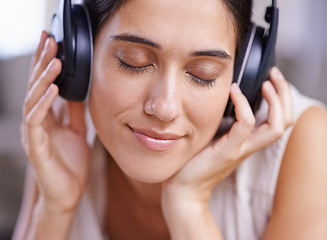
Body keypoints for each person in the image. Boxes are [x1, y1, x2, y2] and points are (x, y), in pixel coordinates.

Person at [13, 0, 327, 239]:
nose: (164, 107)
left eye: (201, 75)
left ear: (245, 75)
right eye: (134, 63)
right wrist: (55, 208)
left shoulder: (304, 146)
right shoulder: (65, 125)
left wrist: (188, 207)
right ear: (82, 55)